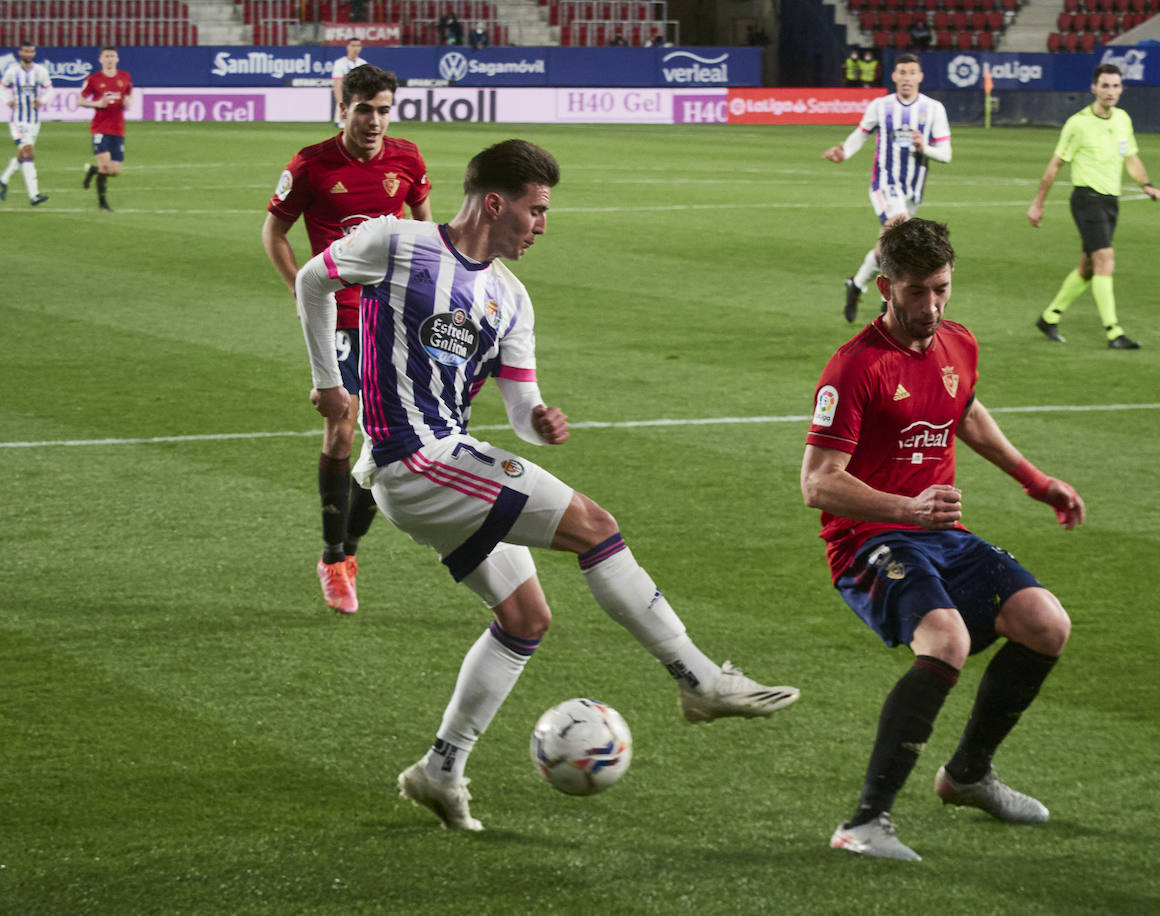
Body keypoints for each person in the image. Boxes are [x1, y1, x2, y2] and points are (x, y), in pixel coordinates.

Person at [293, 138, 800, 830]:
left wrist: (539, 420)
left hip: (445, 458)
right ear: (495, 203)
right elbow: (311, 281)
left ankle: (440, 770)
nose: (541, 225)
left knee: (526, 620)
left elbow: (520, 406)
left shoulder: (509, 297)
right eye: (536, 210)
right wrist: (329, 381)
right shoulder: (397, 242)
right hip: (411, 458)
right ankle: (700, 680)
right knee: (596, 525)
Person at [801, 217, 1083, 862]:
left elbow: (966, 414)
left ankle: (967, 775)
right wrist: (909, 506)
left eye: (942, 289)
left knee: (1045, 623)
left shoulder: (958, 342)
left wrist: (1036, 481)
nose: (931, 306)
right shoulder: (854, 368)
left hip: (938, 534)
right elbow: (818, 485)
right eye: (917, 292)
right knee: (947, 640)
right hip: (868, 538)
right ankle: (865, 823)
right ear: (885, 286)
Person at [263, 64, 433, 615]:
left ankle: (350, 551)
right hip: (339, 313)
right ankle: (333, 558)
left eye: (384, 109)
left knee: (395, 443)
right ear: (343, 109)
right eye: (365, 109)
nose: (375, 121)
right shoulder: (311, 165)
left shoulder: (407, 160)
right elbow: (275, 232)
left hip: (395, 314)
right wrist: (303, 292)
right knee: (342, 420)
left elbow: (426, 232)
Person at [1027, 63, 1160, 350]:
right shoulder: (1078, 124)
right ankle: (1114, 332)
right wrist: (1038, 203)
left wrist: (1146, 184)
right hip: (1087, 199)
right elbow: (1055, 165)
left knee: (1088, 268)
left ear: (1121, 89)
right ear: (1094, 88)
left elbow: (1131, 158)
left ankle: (1049, 317)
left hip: (1111, 201)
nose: (1110, 91)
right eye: (1105, 86)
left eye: (1115, 86)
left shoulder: (1123, 119)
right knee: (1105, 259)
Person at [823, 53, 951, 323]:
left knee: (887, 247)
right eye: (901, 72)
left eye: (911, 72)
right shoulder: (880, 106)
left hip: (913, 190)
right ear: (894, 76)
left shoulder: (934, 109)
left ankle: (856, 284)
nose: (906, 78)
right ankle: (888, 306)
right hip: (885, 184)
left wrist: (923, 147)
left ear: (920, 77)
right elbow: (861, 133)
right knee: (900, 227)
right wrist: (844, 152)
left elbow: (946, 153)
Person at [77, 46, 131, 213]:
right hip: (100, 127)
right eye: (106, 56)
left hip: (118, 128)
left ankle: (93, 170)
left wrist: (128, 101)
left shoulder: (125, 77)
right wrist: (97, 104)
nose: (109, 59)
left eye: (112, 56)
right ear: (100, 59)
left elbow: (129, 93)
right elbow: (80, 101)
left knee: (114, 171)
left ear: (117, 59)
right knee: (106, 165)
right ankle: (103, 203)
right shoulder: (93, 79)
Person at [0, 40, 52, 206]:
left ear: (34, 54)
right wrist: (7, 100)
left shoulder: (41, 71)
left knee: (23, 155)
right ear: (20, 53)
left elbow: (49, 88)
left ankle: (3, 179)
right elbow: (2, 87)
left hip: (34, 120)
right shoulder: (12, 71)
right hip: (18, 120)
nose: (28, 54)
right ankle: (34, 195)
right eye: (25, 51)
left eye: (31, 51)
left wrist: (42, 100)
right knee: (29, 153)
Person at [331, 38, 366, 130]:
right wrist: (340, 103)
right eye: (353, 46)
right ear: (348, 47)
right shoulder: (340, 63)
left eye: (358, 46)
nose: (355, 48)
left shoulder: (363, 63)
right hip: (345, 100)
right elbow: (337, 85)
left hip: (358, 100)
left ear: (361, 48)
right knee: (343, 129)